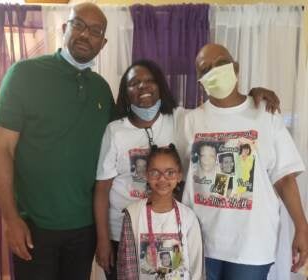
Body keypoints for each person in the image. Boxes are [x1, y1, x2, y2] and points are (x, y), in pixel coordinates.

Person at [94, 59, 280, 280]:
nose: (143, 86)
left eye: (150, 80)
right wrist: (103, 239)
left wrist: (251, 97)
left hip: (170, 229)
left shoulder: (179, 119)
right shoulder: (115, 131)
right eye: (135, 83)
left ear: (160, 85)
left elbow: (219, 114)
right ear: (125, 92)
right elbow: (102, 189)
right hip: (124, 230)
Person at [0, 3, 115, 279]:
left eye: (95, 31)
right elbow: (2, 149)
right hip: (34, 227)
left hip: (84, 229)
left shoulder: (102, 90)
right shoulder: (24, 74)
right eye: (79, 24)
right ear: (64, 28)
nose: (86, 34)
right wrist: (11, 219)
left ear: (103, 43)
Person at [181, 43, 308, 280]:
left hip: (251, 246)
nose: (213, 71)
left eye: (220, 63)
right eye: (204, 68)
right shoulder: (191, 120)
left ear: (235, 68)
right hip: (201, 239)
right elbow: (178, 174)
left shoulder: (265, 113)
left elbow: (284, 178)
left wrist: (302, 226)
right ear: (199, 79)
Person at [117, 144, 204, 280]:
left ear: (179, 176)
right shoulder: (133, 215)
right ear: (146, 175)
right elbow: (127, 270)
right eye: (155, 172)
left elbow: (197, 266)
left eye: (170, 173)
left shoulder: (189, 217)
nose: (162, 179)